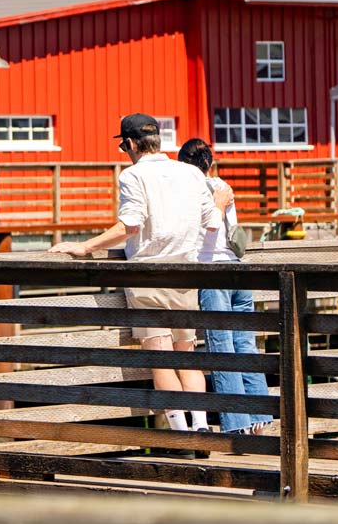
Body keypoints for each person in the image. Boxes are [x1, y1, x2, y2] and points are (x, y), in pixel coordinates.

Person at [50, 113, 221, 430]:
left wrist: (85, 246)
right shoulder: (191, 173)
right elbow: (212, 221)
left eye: (123, 146)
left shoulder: (133, 176)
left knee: (161, 360)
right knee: (187, 357)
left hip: (147, 276)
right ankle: (200, 426)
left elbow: (130, 225)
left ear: (129, 143)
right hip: (187, 274)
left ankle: (180, 433)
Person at [177, 137, 270, 432]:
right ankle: (260, 418)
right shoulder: (223, 186)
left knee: (222, 348)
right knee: (245, 345)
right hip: (237, 269)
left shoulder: (189, 192)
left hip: (212, 271)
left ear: (183, 167)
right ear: (211, 163)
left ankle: (237, 425)